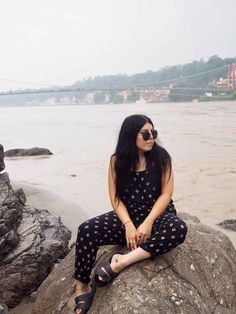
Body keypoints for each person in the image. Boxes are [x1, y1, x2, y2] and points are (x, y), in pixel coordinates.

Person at [73, 114, 188, 313]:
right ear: (130, 136)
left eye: (153, 132)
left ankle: (122, 261)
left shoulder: (162, 158)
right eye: (145, 134)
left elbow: (166, 194)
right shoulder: (116, 161)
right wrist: (128, 224)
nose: (151, 137)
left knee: (178, 228)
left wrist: (148, 222)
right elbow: (116, 198)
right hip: (128, 215)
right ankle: (82, 286)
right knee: (86, 230)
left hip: (158, 216)